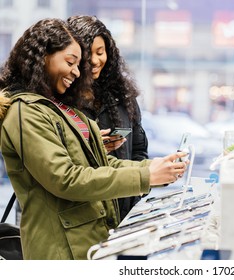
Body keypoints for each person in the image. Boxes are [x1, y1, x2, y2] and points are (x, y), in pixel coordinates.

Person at [0, 18, 187, 260]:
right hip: (62, 249)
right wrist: (145, 175)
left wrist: (153, 168)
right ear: (43, 56)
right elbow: (65, 179)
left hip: (88, 241)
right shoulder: (25, 111)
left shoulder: (61, 108)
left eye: (80, 65)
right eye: (71, 62)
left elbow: (102, 165)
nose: (77, 72)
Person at [67, 15, 149, 221]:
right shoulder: (61, 101)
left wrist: (139, 189)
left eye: (100, 52)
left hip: (125, 212)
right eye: (87, 54)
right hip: (83, 215)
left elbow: (139, 150)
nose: (95, 61)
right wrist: (94, 149)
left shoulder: (123, 97)